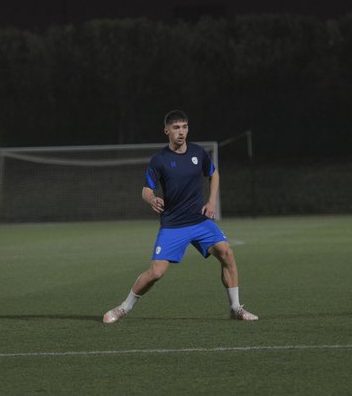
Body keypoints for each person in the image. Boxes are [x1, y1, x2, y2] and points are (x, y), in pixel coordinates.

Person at [103, 110, 258, 324]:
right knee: (156, 273)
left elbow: (214, 174)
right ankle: (123, 308)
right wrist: (152, 199)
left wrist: (211, 202)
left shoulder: (198, 153)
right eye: (176, 127)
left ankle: (236, 308)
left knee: (226, 253)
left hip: (200, 221)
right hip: (173, 224)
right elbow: (146, 190)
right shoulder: (160, 160)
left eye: (184, 127)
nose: (181, 132)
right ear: (166, 130)